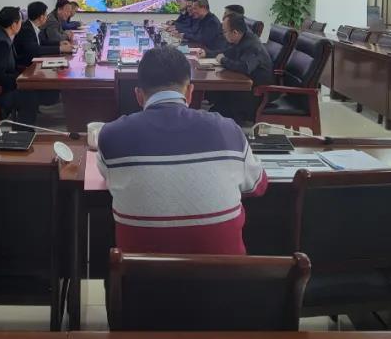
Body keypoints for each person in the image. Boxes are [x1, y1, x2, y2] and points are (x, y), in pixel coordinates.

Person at [96, 46, 267, 254]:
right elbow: (258, 186)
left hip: (140, 274)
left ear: (138, 96)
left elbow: (110, 180)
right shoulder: (229, 130)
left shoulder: (111, 136)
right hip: (225, 274)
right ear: (190, 92)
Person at [210, 12, 275, 125]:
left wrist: (223, 60)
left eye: (224, 31)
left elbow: (244, 67)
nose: (223, 35)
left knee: (217, 113)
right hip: (246, 88)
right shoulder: (243, 39)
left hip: (257, 95)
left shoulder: (252, 45)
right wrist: (207, 53)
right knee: (214, 103)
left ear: (235, 32)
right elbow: (228, 52)